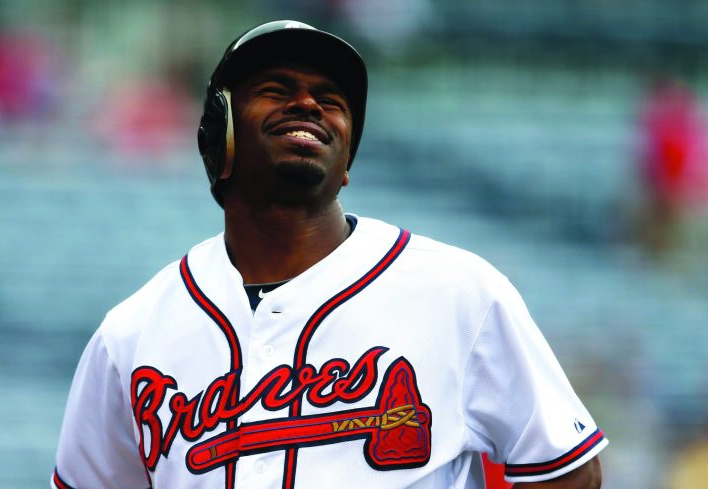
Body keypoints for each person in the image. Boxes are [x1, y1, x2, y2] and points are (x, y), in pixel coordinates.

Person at [51, 20, 607, 489]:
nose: (307, 104)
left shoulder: (460, 293)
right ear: (219, 134)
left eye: (331, 100)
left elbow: (569, 472)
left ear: (346, 162)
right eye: (276, 88)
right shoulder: (132, 333)